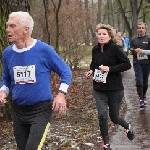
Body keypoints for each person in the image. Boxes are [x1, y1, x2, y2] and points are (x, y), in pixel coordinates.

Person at [0, 11, 72, 150]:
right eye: (8, 26)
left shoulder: (43, 50)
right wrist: (3, 92)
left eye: (12, 26)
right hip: (19, 111)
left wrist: (61, 94)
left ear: (25, 29)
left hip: (40, 111)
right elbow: (6, 79)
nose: (7, 30)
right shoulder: (8, 53)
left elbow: (65, 71)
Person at [86, 23, 135, 150]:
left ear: (109, 36)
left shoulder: (115, 49)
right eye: (99, 34)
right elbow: (94, 63)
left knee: (114, 117)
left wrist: (110, 69)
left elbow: (127, 65)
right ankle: (106, 144)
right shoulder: (95, 49)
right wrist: (91, 70)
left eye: (104, 34)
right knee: (102, 115)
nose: (101, 36)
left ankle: (127, 126)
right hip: (99, 88)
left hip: (115, 89)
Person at [130, 22, 150, 108]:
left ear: (145, 29)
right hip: (137, 62)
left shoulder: (149, 38)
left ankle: (144, 96)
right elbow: (130, 50)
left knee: (145, 82)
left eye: (142, 28)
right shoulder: (134, 39)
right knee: (139, 80)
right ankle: (141, 99)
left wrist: (142, 51)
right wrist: (134, 51)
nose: (141, 29)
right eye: (139, 28)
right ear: (137, 29)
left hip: (147, 63)